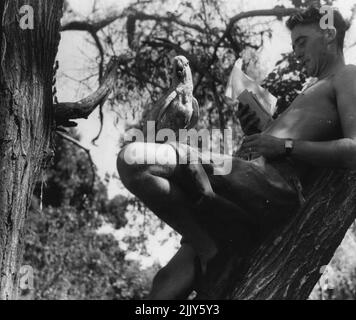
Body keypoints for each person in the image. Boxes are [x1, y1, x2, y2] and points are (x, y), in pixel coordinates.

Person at [117, 5, 355, 300]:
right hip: (244, 183)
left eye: (302, 42)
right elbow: (290, 134)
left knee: (134, 159)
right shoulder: (313, 88)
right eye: (293, 45)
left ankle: (212, 252)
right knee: (164, 285)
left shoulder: (347, 76)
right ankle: (214, 248)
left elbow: (354, 151)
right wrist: (260, 124)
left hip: (272, 183)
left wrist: (283, 145)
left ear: (329, 33)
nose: (296, 52)